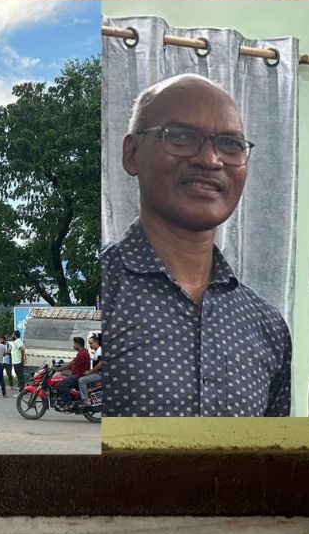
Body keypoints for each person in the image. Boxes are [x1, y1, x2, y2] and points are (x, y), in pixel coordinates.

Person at [103, 73, 291, 415]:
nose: (210, 160)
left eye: (230, 144)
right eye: (181, 137)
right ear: (131, 153)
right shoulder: (105, 287)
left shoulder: (266, 325)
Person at [52, 334, 92, 405]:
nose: (73, 345)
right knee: (62, 379)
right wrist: (60, 365)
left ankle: (68, 403)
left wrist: (58, 369)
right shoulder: (81, 353)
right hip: (77, 376)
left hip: (79, 376)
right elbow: (72, 363)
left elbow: (71, 364)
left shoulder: (83, 354)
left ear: (78, 344)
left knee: (63, 383)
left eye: (74, 343)